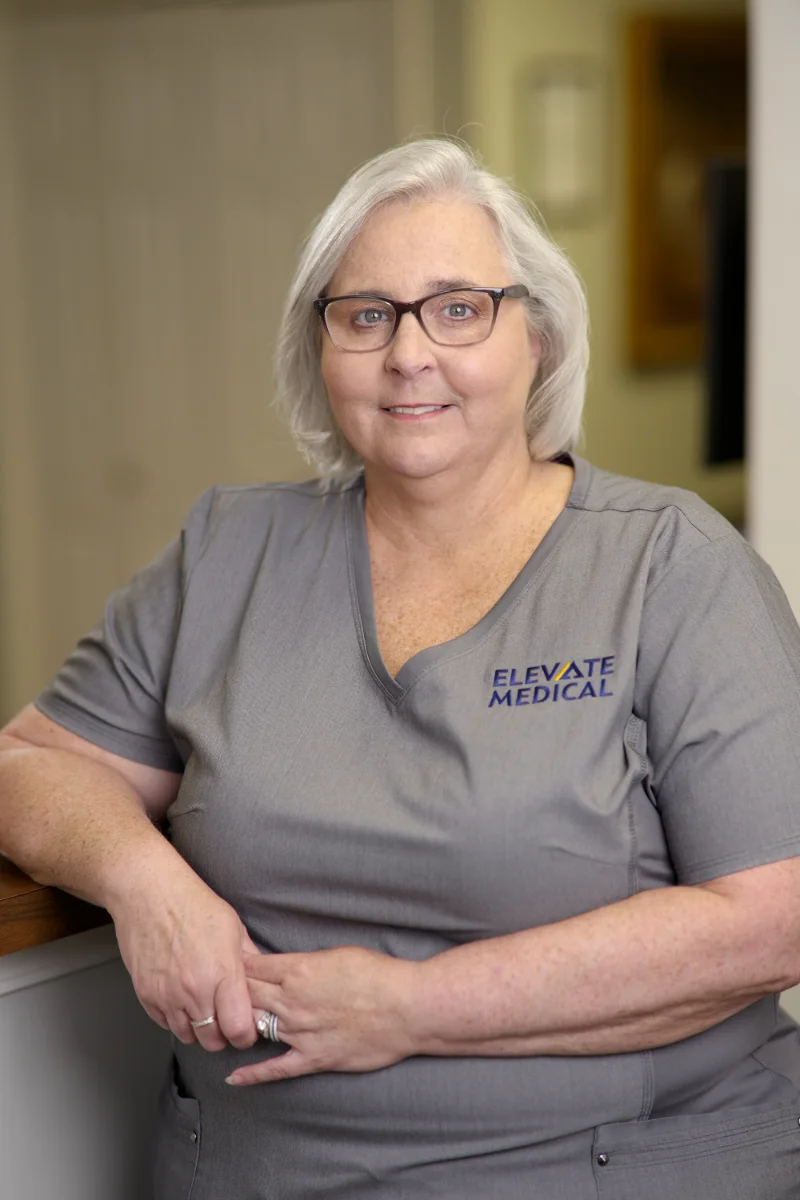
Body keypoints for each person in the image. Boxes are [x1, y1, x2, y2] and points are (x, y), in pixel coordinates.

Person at [1, 138, 800, 1200]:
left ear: (537, 338)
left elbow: (772, 917)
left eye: (457, 308)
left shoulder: (670, 565)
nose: (408, 354)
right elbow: (31, 764)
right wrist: (146, 884)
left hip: (603, 1167)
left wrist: (410, 1007)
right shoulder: (228, 551)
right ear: (321, 346)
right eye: (366, 314)